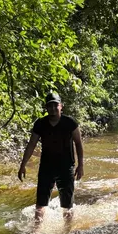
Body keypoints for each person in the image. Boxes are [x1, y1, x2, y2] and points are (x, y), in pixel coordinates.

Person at [18, 92, 84, 222]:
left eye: (55, 105)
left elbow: (78, 143)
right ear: (46, 108)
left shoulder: (70, 123)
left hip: (66, 167)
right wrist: (22, 165)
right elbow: (31, 145)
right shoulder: (40, 124)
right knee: (40, 202)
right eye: (50, 106)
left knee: (67, 204)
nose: (53, 108)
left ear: (61, 106)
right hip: (46, 167)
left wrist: (80, 166)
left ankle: (67, 230)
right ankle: (36, 230)